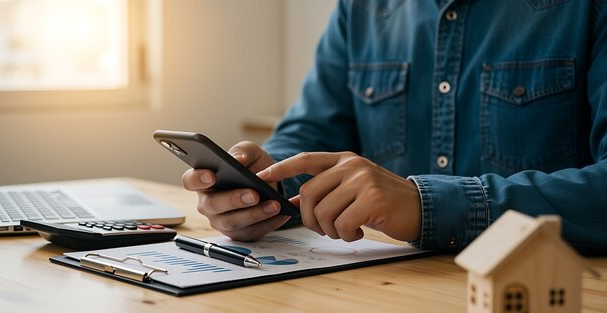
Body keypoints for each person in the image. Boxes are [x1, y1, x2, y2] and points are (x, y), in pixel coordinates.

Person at [183, 0, 607, 253]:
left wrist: (427, 206)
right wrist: (265, 190)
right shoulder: (362, 8)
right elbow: (312, 132)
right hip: (383, 303)